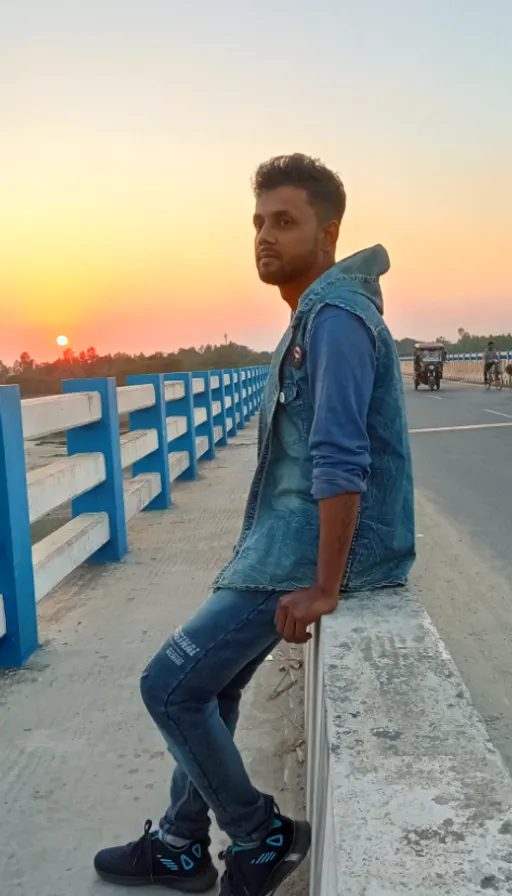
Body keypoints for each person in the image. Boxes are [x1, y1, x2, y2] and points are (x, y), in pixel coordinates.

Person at [93, 154, 415, 894]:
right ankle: (178, 842)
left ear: (328, 232)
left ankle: (260, 834)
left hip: (304, 554)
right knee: (217, 685)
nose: (266, 237)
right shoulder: (317, 313)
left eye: (285, 221)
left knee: (169, 686)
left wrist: (326, 587)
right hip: (278, 545)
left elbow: (341, 458)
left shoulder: (334, 319)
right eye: (259, 223)